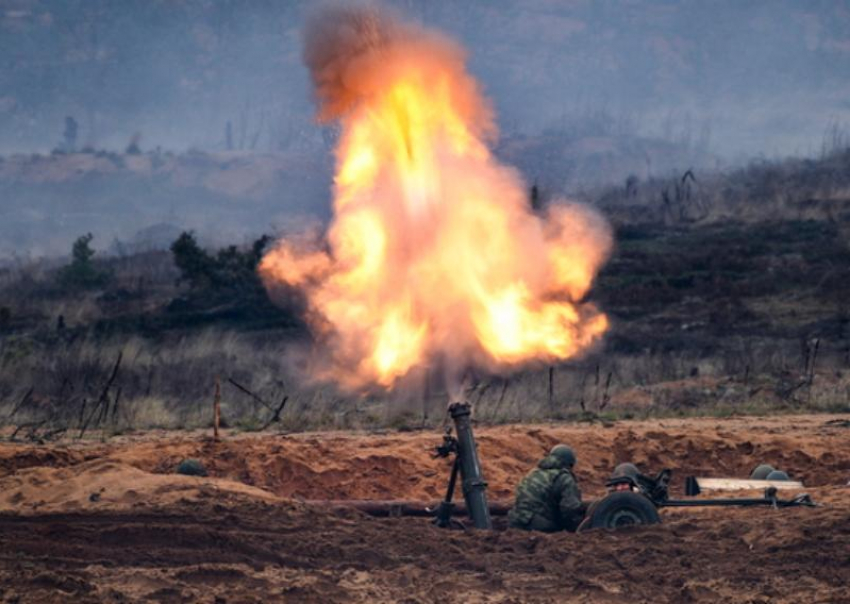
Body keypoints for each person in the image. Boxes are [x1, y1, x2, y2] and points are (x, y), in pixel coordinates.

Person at [508, 444, 584, 532]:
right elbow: (570, 509)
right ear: (569, 464)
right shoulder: (564, 478)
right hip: (539, 526)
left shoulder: (533, 472)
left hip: (515, 522)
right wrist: (576, 530)